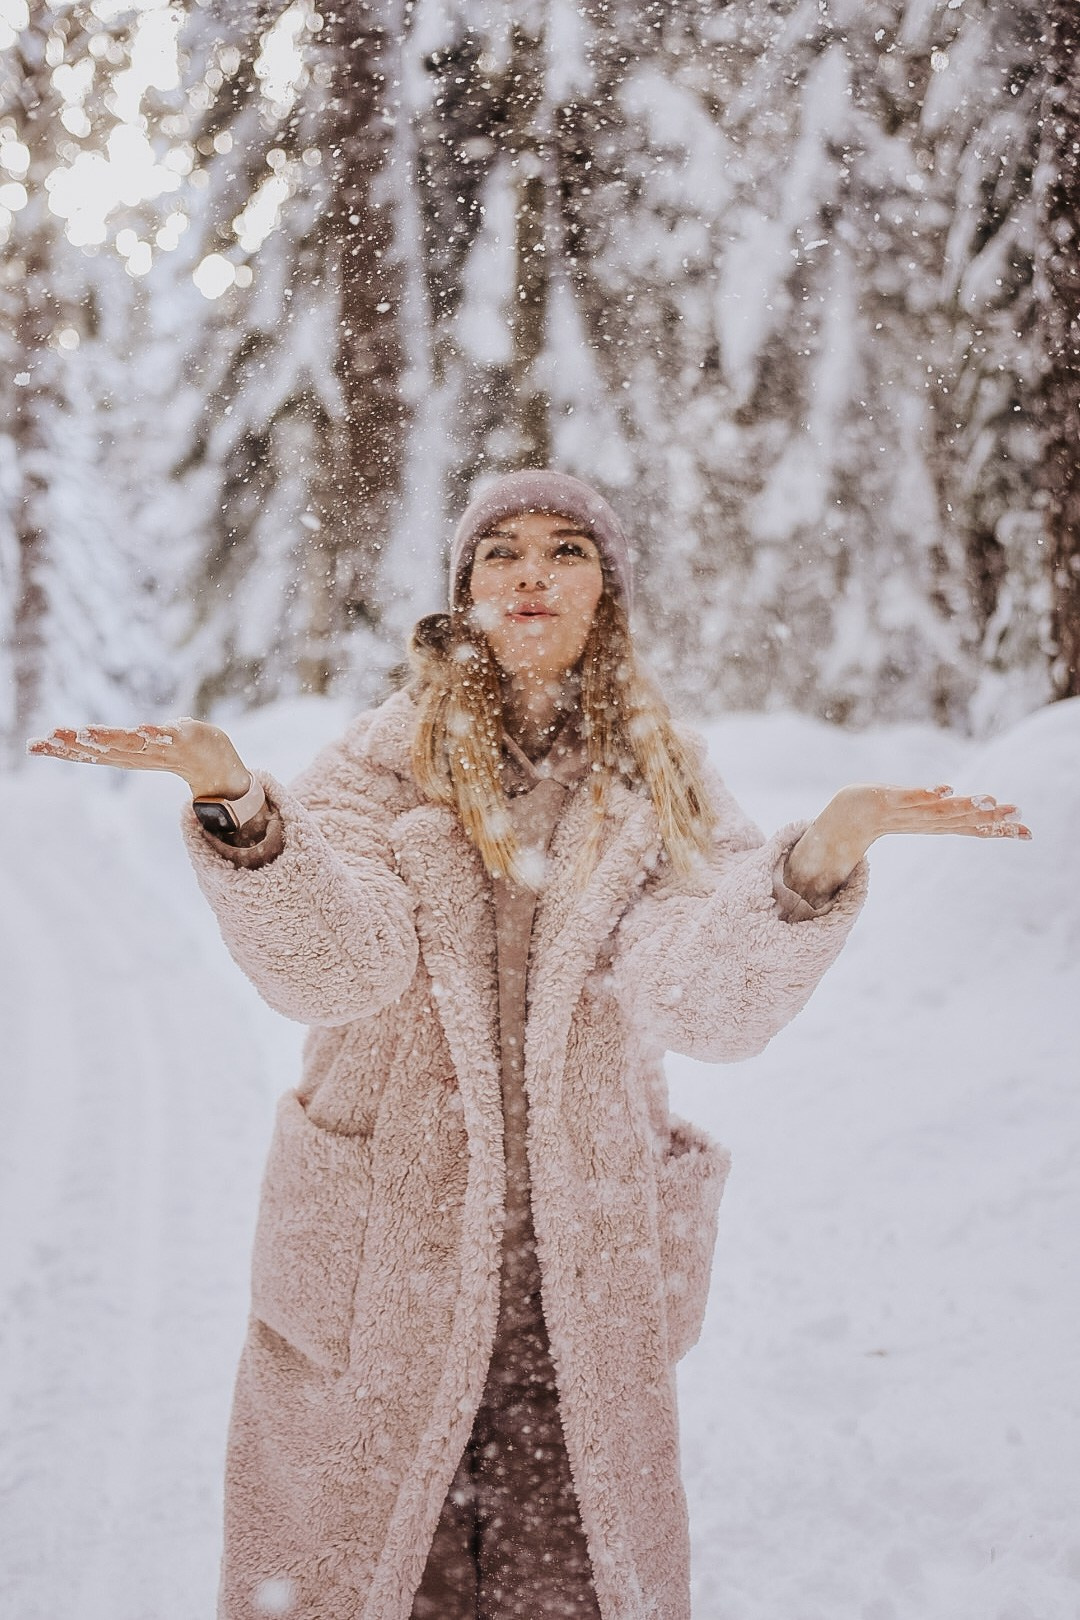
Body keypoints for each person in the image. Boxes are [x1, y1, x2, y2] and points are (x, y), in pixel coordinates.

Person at [28, 469, 1030, 1620]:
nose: (532, 574)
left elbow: (707, 1000)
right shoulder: (377, 764)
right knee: (366, 1575)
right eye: (502, 551)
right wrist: (242, 814)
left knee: (572, 1583)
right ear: (465, 590)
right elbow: (336, 967)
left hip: (577, 1268)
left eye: (567, 551)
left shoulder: (661, 780)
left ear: (608, 593)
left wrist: (814, 865)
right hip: (380, 1259)